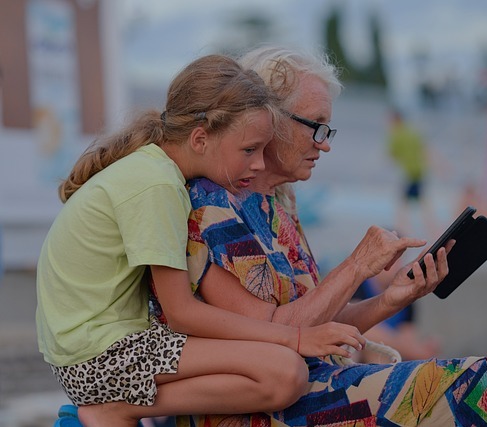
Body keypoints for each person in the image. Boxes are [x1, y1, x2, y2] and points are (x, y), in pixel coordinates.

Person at [171, 45, 487, 426]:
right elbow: (272, 332)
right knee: (481, 386)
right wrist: (356, 266)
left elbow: (315, 323)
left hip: (308, 388)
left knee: (481, 388)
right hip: (259, 407)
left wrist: (391, 299)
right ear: (269, 119)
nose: (324, 143)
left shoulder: (276, 202)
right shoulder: (214, 206)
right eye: (316, 125)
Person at [36, 54, 366, 427]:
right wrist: (295, 337)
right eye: (249, 150)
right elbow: (182, 313)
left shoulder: (154, 171)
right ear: (200, 139)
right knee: (283, 371)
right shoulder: (157, 185)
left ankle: (118, 408)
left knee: (282, 370)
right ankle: (115, 409)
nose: (259, 163)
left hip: (97, 351)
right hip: (97, 359)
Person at [351, 266, 442, 364]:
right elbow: (356, 328)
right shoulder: (358, 286)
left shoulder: (407, 293)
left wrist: (419, 349)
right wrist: (413, 351)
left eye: (399, 260)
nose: (396, 266)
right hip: (369, 352)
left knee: (434, 343)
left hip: (391, 353)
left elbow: (408, 335)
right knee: (363, 348)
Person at [387, 108, 433, 237]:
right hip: (419, 172)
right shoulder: (413, 132)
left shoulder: (396, 135)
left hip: (407, 174)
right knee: (422, 204)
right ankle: (434, 231)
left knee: (403, 206)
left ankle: (400, 233)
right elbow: (425, 150)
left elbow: (392, 155)